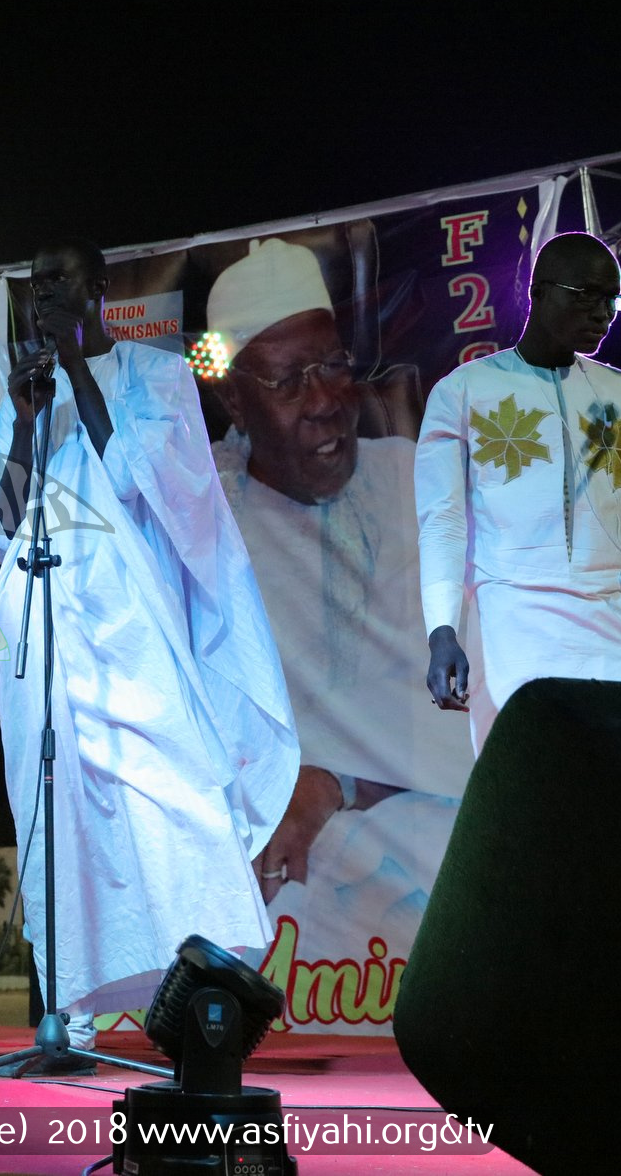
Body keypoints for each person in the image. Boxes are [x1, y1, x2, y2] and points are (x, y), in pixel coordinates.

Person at [0, 239, 299, 1075]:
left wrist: (79, 372)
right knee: (57, 810)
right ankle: (66, 1017)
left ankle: (202, 1002)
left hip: (133, 622)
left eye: (59, 281)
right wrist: (20, 415)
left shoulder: (158, 377)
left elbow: (152, 483)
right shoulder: (27, 398)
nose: (44, 294)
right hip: (42, 616)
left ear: (100, 288)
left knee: (174, 796)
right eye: (35, 282)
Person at [204, 240, 475, 988]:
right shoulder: (208, 523)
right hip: (272, 857)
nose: (324, 399)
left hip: (427, 834)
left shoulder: (416, 491)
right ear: (233, 400)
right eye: (288, 380)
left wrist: (333, 784)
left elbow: (470, 723)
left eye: (332, 365)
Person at [418, 232, 621, 735]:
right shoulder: (464, 392)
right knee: (544, 787)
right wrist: (442, 631)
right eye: (587, 295)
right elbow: (443, 523)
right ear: (538, 291)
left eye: (612, 299)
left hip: (617, 621)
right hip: (514, 620)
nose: (602, 312)